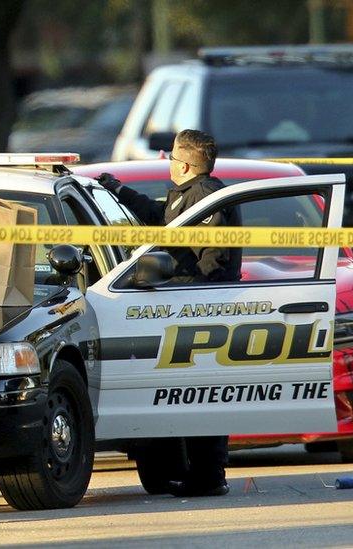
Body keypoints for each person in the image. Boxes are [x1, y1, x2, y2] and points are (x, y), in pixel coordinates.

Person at [98, 128, 241, 497]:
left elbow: (216, 260)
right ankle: (194, 472)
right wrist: (119, 191)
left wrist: (195, 299)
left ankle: (210, 476)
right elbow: (160, 218)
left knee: (203, 396)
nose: (168, 161)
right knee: (188, 396)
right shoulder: (187, 195)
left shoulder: (206, 197)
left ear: (185, 164)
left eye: (172, 155)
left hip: (202, 310)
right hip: (185, 307)